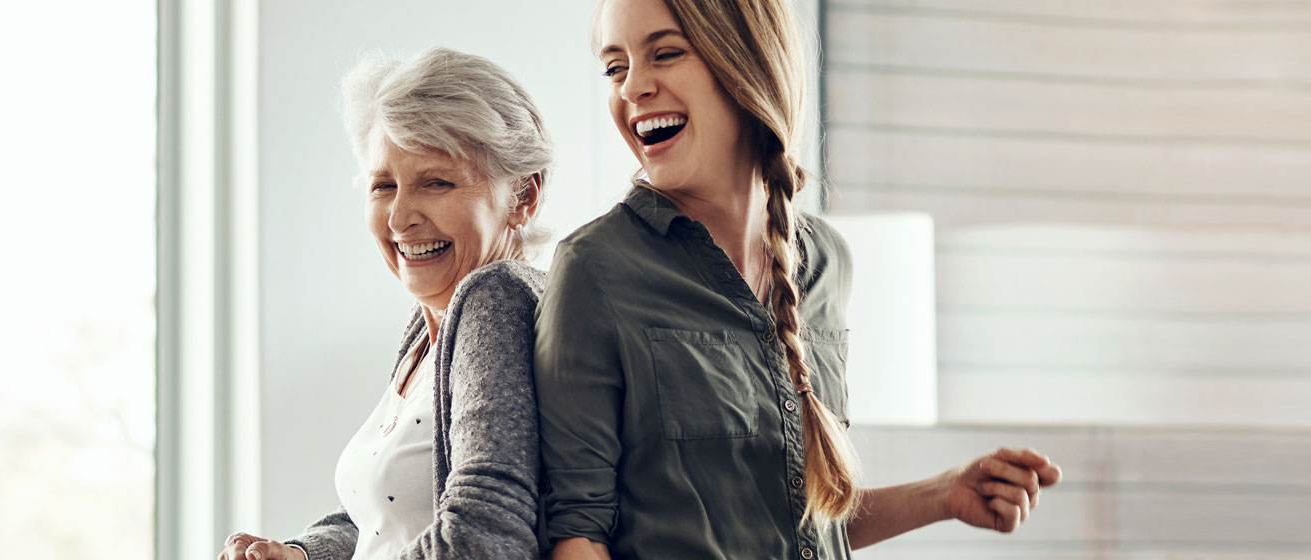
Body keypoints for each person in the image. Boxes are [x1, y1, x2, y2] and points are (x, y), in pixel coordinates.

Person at [536, 1, 1063, 559]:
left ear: (747, 64)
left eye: (666, 54)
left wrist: (941, 494)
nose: (632, 88)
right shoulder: (593, 271)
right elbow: (577, 537)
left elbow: (799, 519)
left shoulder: (826, 263)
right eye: (615, 67)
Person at [218, 46, 553, 560]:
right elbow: (387, 518)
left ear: (523, 196)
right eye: (383, 185)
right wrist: (304, 553)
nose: (399, 218)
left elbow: (486, 535)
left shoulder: (494, 301)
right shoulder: (426, 334)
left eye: (435, 182)